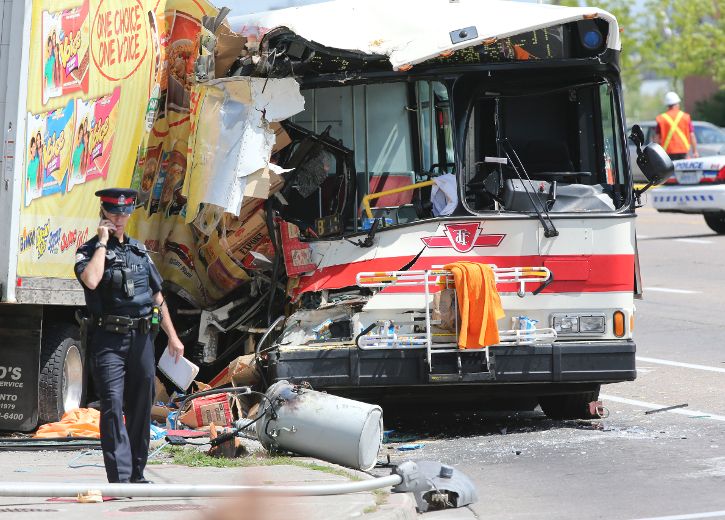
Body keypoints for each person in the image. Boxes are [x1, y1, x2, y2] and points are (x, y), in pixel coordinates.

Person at [74, 188, 185, 484]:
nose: (119, 217)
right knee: (112, 403)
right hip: (108, 339)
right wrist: (102, 242)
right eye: (113, 212)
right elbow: (92, 279)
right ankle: (120, 477)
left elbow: (157, 297)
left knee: (140, 405)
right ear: (103, 212)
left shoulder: (139, 251)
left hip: (142, 339)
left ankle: (136, 473)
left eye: (124, 212)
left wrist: (172, 336)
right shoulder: (89, 251)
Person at [654, 91, 699, 160]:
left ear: (667, 105)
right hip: (683, 151)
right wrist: (695, 152)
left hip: (667, 153)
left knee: (670, 171)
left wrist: (655, 153)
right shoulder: (685, 117)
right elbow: (692, 135)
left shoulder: (662, 118)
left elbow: (657, 138)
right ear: (677, 104)